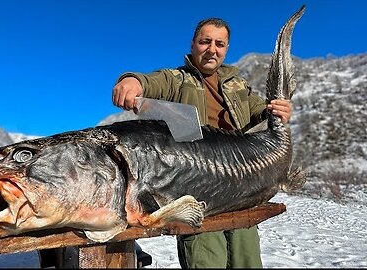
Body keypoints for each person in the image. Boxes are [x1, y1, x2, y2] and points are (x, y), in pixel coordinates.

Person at [111, 17, 292, 268]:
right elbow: (150, 81)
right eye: (205, 41)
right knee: (206, 259)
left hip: (243, 185)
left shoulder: (237, 84)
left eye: (220, 44)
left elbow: (261, 112)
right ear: (194, 44)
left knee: (247, 260)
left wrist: (278, 110)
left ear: (226, 49)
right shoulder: (177, 79)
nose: (212, 49)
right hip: (198, 192)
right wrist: (132, 81)